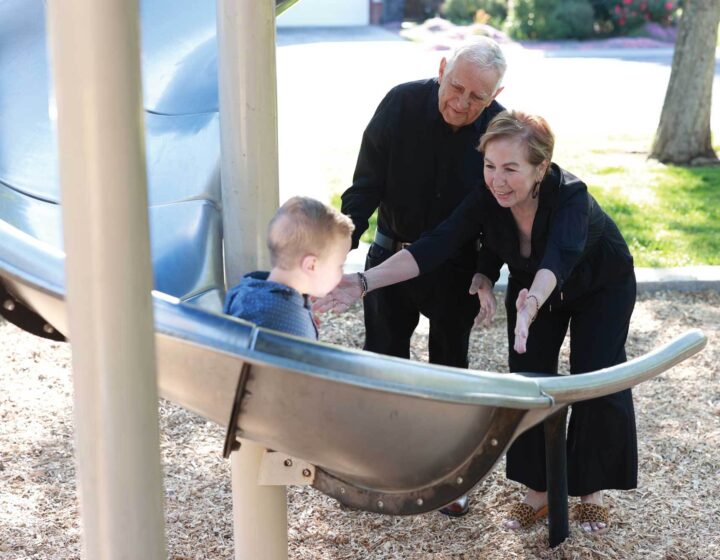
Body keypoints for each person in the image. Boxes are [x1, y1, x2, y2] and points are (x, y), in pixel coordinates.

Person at [317, 111, 637, 534]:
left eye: (510, 168)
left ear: (541, 167)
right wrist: (362, 281)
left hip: (599, 286)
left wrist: (532, 304)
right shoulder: (487, 199)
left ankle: (591, 491)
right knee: (528, 380)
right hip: (531, 292)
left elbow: (560, 255)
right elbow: (435, 245)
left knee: (594, 376)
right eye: (489, 166)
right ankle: (538, 492)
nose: (497, 179)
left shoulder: (571, 196)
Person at [341, 38, 506, 372]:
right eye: (457, 87)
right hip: (390, 254)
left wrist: (486, 270)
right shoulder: (401, 102)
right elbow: (365, 186)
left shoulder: (501, 130)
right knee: (382, 366)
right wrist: (339, 244)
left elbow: (500, 213)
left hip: (456, 267)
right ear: (442, 69)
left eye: (477, 97)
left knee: (449, 370)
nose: (461, 103)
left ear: (495, 95)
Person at [224, 196, 353, 340]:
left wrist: (305, 323)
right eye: (340, 265)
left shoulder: (257, 294)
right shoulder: (266, 315)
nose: (342, 272)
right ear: (311, 266)